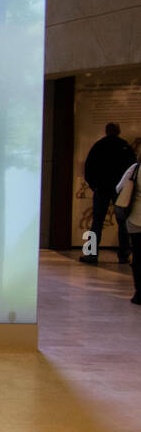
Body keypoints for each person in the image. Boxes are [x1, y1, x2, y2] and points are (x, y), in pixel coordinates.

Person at [81, 122, 135, 264]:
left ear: (106, 131)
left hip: (102, 190)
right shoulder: (125, 147)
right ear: (118, 131)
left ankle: (91, 255)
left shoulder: (99, 146)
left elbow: (89, 168)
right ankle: (123, 254)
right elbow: (132, 170)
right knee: (122, 223)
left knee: (96, 223)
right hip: (120, 191)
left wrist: (95, 186)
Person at [118, 157, 141, 303]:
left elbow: (119, 188)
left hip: (135, 218)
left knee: (138, 256)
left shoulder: (135, 168)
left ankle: (139, 293)